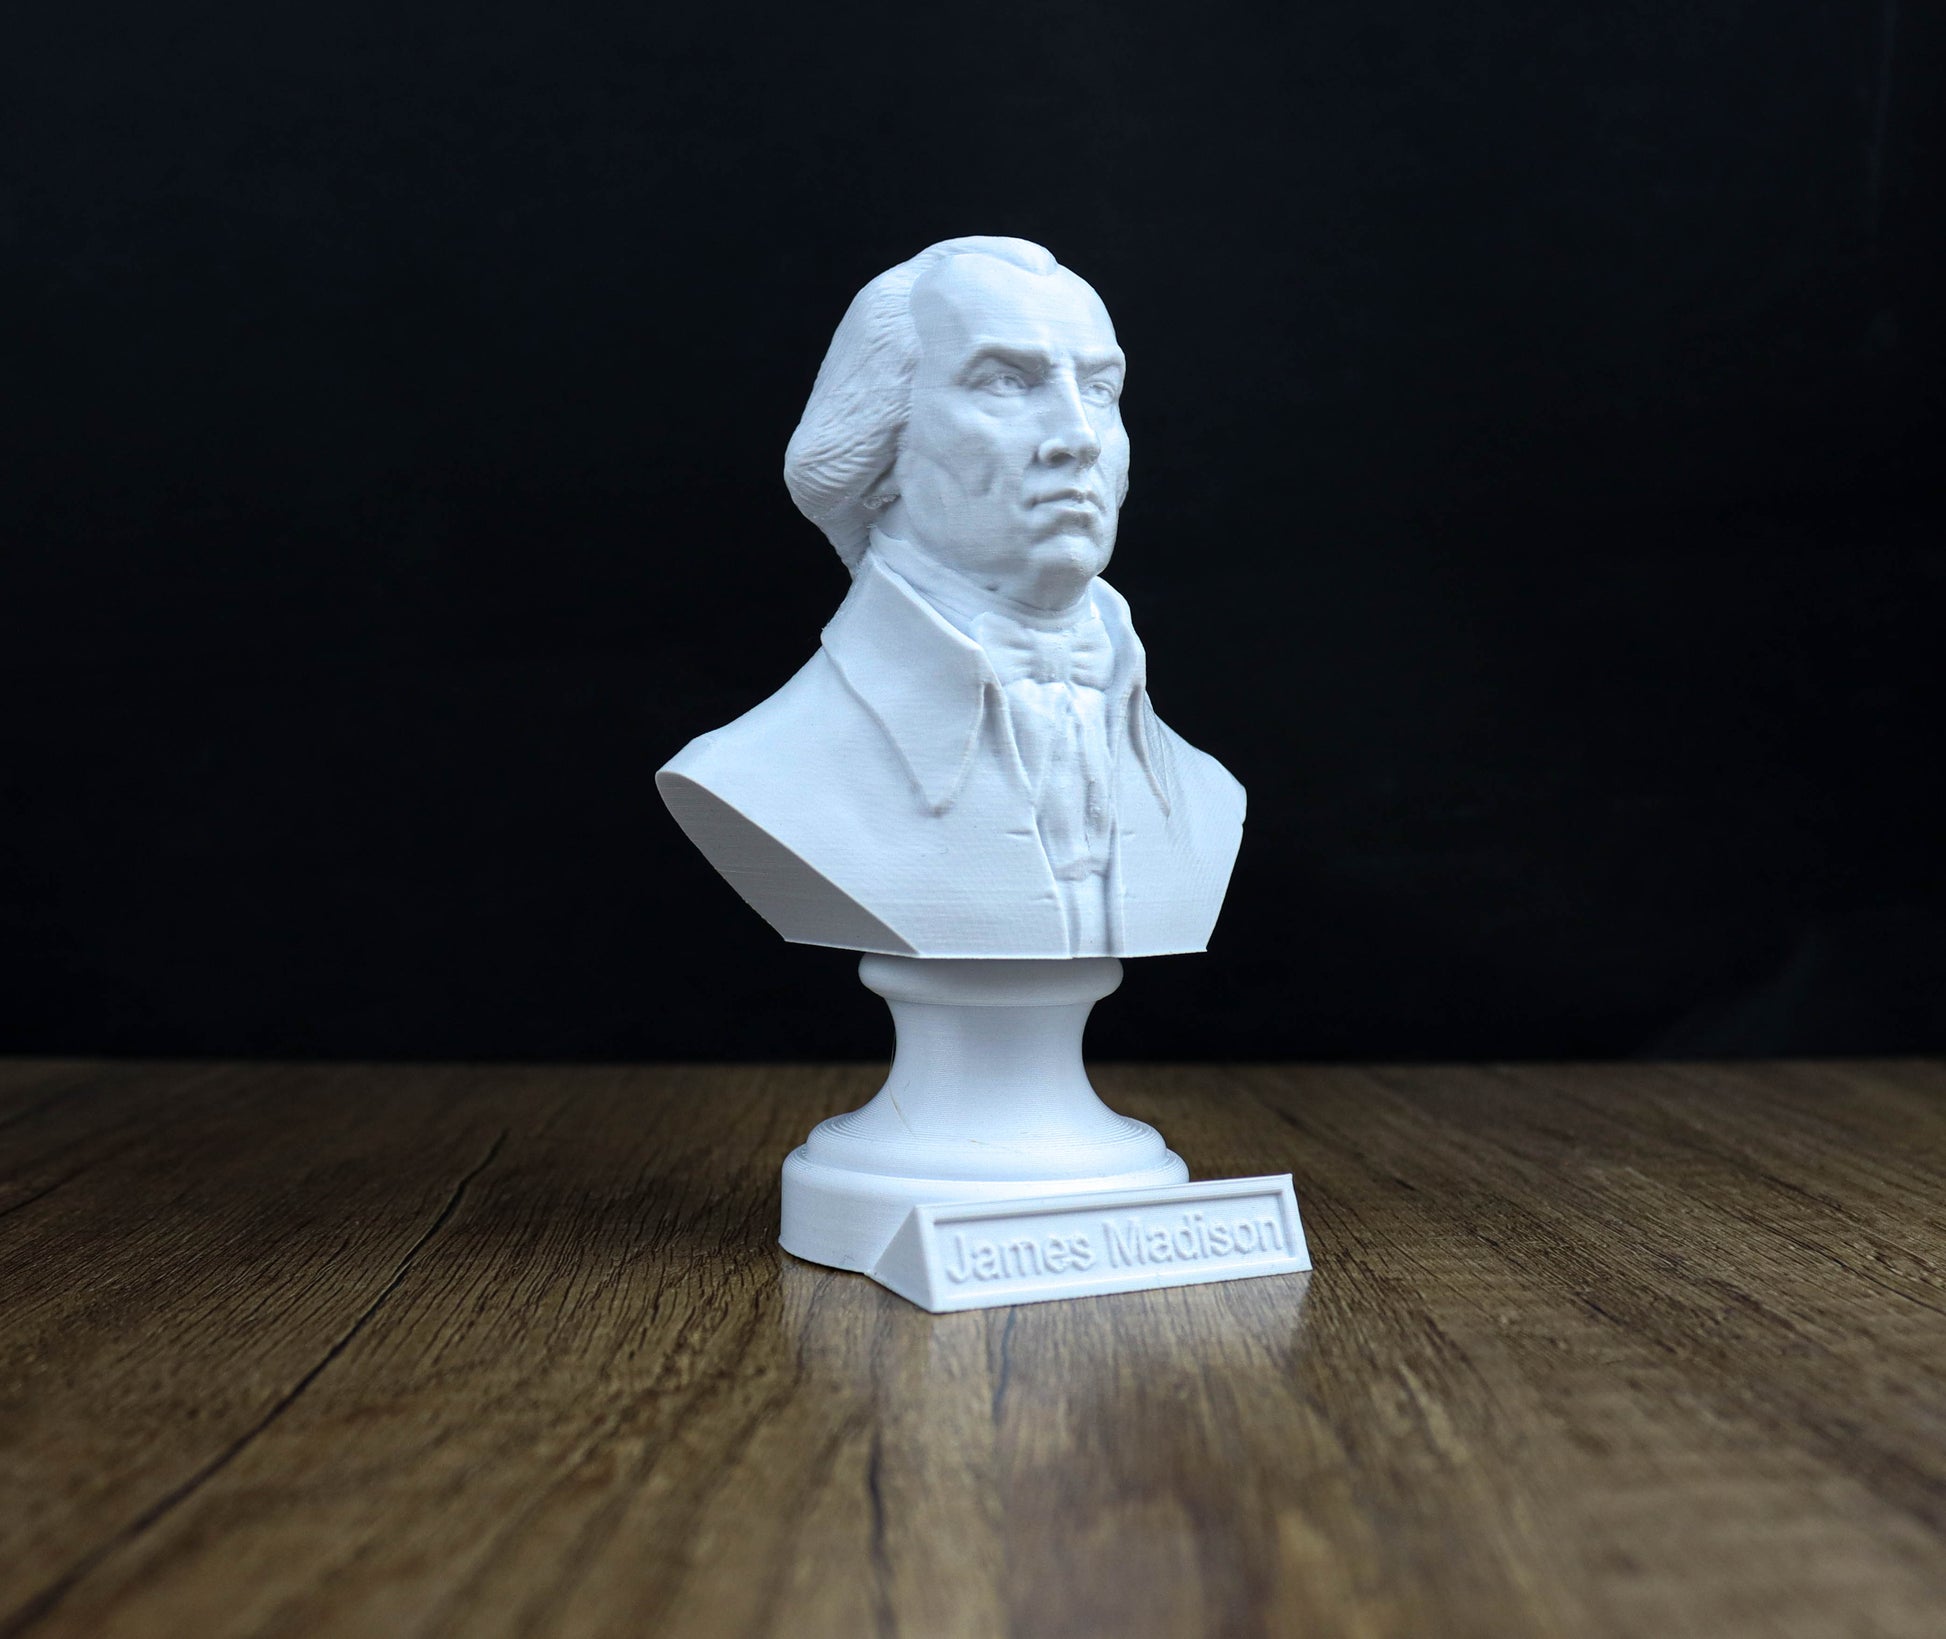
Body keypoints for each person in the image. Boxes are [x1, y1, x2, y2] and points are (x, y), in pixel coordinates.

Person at [657, 236, 1244, 958]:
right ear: (880, 444)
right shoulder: (753, 776)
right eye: (1006, 382)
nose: (1079, 437)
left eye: (1099, 389)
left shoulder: (1207, 792)